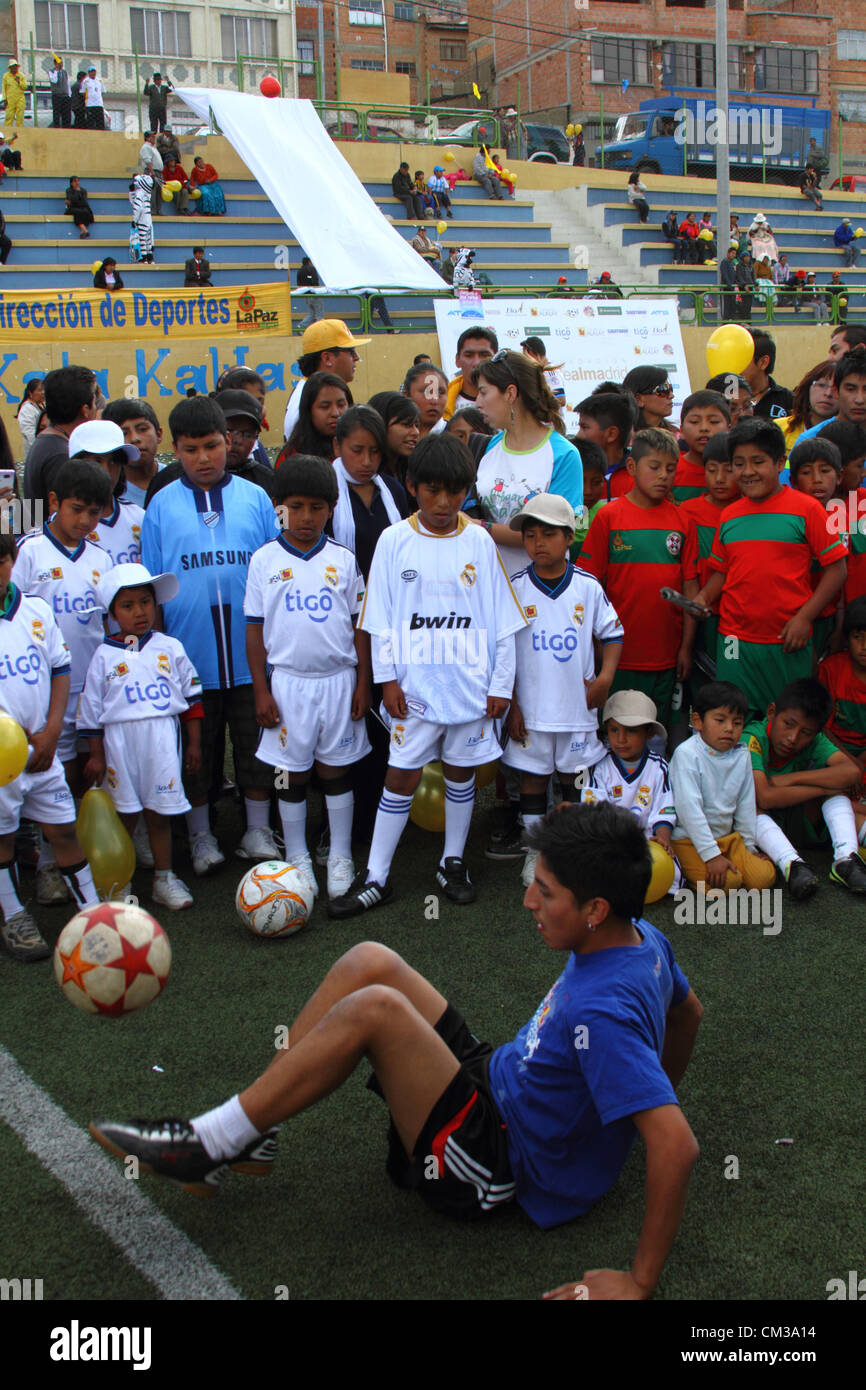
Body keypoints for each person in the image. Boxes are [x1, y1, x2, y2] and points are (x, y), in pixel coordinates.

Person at [89, 800, 703, 1305]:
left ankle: (211, 1145)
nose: (527, 903)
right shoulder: (642, 937)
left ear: (595, 910)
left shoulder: (603, 1010)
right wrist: (628, 1113)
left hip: (499, 1162)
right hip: (499, 1082)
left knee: (374, 1009)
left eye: (544, 892)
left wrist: (638, 1282)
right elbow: (688, 1013)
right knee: (369, 961)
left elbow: (676, 1145)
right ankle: (249, 1131)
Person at [328, 432, 526, 918]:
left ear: (467, 491)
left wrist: (501, 685)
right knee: (400, 774)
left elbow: (502, 620)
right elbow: (379, 618)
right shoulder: (395, 541)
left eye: (455, 492)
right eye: (432, 490)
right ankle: (376, 875)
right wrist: (387, 680)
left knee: (462, 771)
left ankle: (452, 861)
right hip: (413, 689)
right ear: (412, 486)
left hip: (471, 688)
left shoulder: (479, 539)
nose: (443, 502)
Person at [140, 395, 278, 875]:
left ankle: (257, 829)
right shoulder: (160, 506)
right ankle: (200, 837)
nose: (204, 458)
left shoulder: (255, 498)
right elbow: (154, 587)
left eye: (213, 446)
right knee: (197, 753)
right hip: (190, 657)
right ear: (174, 450)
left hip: (249, 656)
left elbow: (272, 572)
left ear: (230, 442)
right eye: (191, 449)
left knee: (256, 743)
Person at [244, 454, 372, 900]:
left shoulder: (343, 559)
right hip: (287, 685)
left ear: (331, 508)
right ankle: (296, 856)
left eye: (317, 507)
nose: (306, 517)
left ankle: (339, 853)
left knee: (335, 771)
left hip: (338, 682)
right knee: (289, 775)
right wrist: (261, 689)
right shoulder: (263, 561)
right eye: (295, 506)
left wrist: (363, 683)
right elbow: (255, 629)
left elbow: (360, 627)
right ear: (279, 506)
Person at [504, 493, 623, 887]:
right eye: (531, 535)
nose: (538, 542)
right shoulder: (516, 587)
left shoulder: (587, 587)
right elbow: (504, 650)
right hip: (532, 710)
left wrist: (605, 678)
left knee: (576, 781)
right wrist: (512, 705)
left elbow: (612, 634)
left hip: (577, 709)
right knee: (533, 782)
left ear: (569, 537)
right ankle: (537, 850)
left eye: (549, 534)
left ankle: (568, 850)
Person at [695, 418, 848, 719]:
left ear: (780, 463)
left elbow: (837, 569)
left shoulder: (806, 509)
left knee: (790, 720)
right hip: (734, 643)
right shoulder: (729, 516)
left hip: (788, 642)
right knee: (733, 720)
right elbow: (722, 572)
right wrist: (702, 598)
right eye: (739, 463)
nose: (748, 471)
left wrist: (805, 618)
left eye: (758, 461)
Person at [0, 531, 100, 961]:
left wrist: (53, 728)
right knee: (2, 837)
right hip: (0, 758)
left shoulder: (36, 610)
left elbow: (60, 670)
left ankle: (93, 911)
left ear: (10, 561)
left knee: (62, 827)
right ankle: (11, 914)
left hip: (42, 748)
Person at [78, 563, 200, 910]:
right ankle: (121, 885)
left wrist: (193, 743)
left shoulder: (169, 647)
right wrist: (96, 755)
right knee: (125, 816)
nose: (139, 612)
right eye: (128, 606)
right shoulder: (103, 656)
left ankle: (164, 879)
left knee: (159, 814)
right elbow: (91, 716)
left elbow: (192, 700)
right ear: (113, 613)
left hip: (161, 739)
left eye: (145, 602)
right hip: (119, 745)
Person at [12, 456, 114, 865]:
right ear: (54, 501)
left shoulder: (101, 559)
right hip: (45, 691)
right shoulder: (30, 552)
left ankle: (102, 847)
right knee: (49, 768)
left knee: (92, 769)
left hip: (92, 685)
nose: (86, 520)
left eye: (94, 512)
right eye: (77, 509)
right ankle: (51, 861)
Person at [581, 428, 699, 732]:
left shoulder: (683, 521)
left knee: (654, 733)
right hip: (618, 655)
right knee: (617, 731)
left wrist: (686, 647)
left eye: (671, 469)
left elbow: (689, 590)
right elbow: (589, 587)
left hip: (666, 654)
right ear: (632, 467)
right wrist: (594, 644)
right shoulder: (609, 517)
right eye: (655, 467)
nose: (664, 476)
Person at [744, 677, 866, 896]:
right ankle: (793, 866)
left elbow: (852, 772)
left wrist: (792, 779)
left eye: (805, 733)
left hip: (800, 818)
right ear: (772, 712)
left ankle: (846, 860)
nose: (793, 738)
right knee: (750, 806)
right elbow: (766, 797)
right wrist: (826, 787)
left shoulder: (816, 742)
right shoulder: (753, 736)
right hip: (763, 825)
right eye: (788, 724)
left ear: (815, 733)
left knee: (837, 798)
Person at [472, 350, 581, 559]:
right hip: (489, 583)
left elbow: (554, 533)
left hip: (540, 586)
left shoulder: (564, 455)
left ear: (510, 393)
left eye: (484, 392)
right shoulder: (486, 447)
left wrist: (480, 527)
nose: (477, 402)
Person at [670, 681, 777, 893]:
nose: (729, 729)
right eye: (720, 720)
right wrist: (711, 855)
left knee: (763, 879)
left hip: (729, 840)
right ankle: (691, 869)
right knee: (728, 883)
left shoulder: (741, 753)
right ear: (698, 721)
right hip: (689, 841)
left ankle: (730, 861)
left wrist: (748, 848)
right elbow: (689, 810)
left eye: (737, 723)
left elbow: (746, 805)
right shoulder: (687, 754)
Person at [578, 692, 676, 865]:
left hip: (648, 843)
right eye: (614, 730)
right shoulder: (598, 767)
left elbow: (664, 812)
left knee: (668, 870)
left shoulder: (659, 767)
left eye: (631, 730)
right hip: (609, 843)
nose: (621, 739)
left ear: (649, 733)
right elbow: (594, 815)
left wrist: (663, 840)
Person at [678, 433, 740, 685]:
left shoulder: (747, 510)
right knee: (700, 683)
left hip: (735, 619)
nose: (720, 479)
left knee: (730, 680)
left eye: (728, 470)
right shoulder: (688, 511)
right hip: (700, 615)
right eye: (712, 470)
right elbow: (688, 575)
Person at [788, 435, 844, 660]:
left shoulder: (840, 516)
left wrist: (840, 626)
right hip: (793, 617)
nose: (817, 480)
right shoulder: (789, 518)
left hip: (828, 617)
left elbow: (842, 575)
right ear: (793, 480)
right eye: (807, 472)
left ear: (839, 477)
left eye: (825, 470)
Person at [66, 418, 143, 566]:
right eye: (97, 461)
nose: (107, 471)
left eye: (114, 461)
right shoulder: (61, 524)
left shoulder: (139, 517)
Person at [23, 364, 97, 507]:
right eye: (95, 398)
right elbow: (62, 519)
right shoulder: (61, 455)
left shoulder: (47, 442)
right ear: (85, 409)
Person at [282, 320, 369, 442]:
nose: (356, 357)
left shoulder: (309, 391)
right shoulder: (305, 400)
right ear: (327, 358)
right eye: (350, 351)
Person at [818, 596, 866, 784]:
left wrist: (860, 762)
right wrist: (850, 761)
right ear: (847, 638)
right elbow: (822, 728)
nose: (864, 646)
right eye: (857, 637)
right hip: (833, 748)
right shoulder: (831, 669)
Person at [101, 397, 163, 506]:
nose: (134, 439)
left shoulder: (177, 478)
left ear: (159, 434)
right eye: (124, 433)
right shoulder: (108, 490)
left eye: (142, 429)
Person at [674, 390, 731, 503]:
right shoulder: (670, 470)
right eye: (695, 422)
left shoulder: (739, 470)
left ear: (729, 429)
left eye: (713, 422)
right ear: (681, 431)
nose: (704, 428)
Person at [280, 371, 350, 464]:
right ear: (308, 410)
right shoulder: (292, 457)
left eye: (341, 405)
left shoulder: (359, 446)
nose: (335, 413)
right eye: (325, 406)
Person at [576, 392, 634, 501]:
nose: (578, 435)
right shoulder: (571, 472)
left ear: (611, 434)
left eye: (584, 427)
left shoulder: (639, 477)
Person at [366, 391, 420, 483]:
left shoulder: (413, 470)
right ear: (380, 424)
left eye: (417, 425)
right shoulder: (365, 474)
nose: (416, 432)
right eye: (406, 425)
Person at [443, 326, 498, 418]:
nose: (476, 362)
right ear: (457, 360)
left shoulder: (512, 402)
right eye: (469, 355)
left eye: (484, 355)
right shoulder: (441, 405)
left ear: (496, 358)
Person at [743, 330, 793, 421]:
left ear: (763, 362)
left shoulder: (788, 401)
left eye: (742, 360)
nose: (735, 367)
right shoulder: (727, 396)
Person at [401, 363, 448, 439]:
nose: (434, 400)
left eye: (440, 393)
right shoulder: (396, 440)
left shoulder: (458, 436)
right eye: (427, 392)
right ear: (406, 396)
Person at [622, 366, 674, 434]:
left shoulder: (676, 436)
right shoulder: (624, 438)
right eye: (662, 390)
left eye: (670, 389)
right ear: (639, 399)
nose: (671, 396)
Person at [520, 336, 566, 407]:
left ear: (532, 353)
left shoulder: (550, 372)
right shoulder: (536, 371)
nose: (523, 357)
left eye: (525, 354)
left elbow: (561, 400)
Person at [129, 172, 155, 264]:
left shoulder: (140, 193)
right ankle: (150, 258)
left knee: (142, 239)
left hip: (141, 219)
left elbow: (137, 207)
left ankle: (143, 258)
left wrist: (134, 220)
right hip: (148, 219)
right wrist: (132, 192)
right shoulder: (147, 193)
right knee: (148, 240)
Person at [137, 132, 164, 216]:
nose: (154, 138)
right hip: (151, 171)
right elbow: (147, 160)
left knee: (159, 192)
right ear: (148, 138)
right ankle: (152, 211)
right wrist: (152, 172)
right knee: (153, 191)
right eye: (152, 136)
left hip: (158, 172)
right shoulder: (146, 147)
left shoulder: (153, 148)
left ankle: (158, 210)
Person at [15, 379, 44, 453]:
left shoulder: (39, 406)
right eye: (39, 390)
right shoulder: (27, 409)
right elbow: (29, 432)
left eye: (44, 390)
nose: (43, 393)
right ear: (30, 393)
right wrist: (41, 448)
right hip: (36, 451)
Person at [296, 255, 320, 328]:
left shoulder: (300, 270)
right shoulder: (311, 269)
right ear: (309, 262)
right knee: (320, 314)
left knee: (312, 314)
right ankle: (320, 330)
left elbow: (299, 283)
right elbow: (315, 281)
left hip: (306, 295)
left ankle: (301, 326)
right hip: (314, 294)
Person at [2, 61, 27, 129]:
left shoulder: (21, 75)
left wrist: (19, 82)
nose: (14, 68)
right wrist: (4, 99)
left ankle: (20, 131)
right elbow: (3, 88)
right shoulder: (6, 76)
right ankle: (7, 132)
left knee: (20, 117)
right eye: (13, 67)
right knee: (9, 117)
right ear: (10, 68)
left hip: (20, 99)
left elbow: (25, 86)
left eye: (15, 66)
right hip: (10, 99)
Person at [49, 56, 71, 128]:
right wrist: (56, 70)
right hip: (57, 96)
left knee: (67, 115)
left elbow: (67, 84)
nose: (61, 64)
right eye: (59, 63)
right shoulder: (51, 72)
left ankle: (66, 129)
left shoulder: (65, 72)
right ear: (55, 63)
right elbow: (54, 81)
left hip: (65, 96)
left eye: (61, 62)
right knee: (57, 115)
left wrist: (69, 95)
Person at [82, 64, 105, 130]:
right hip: (90, 105)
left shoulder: (100, 80)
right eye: (91, 71)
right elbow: (83, 92)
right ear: (89, 73)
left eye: (94, 71)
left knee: (100, 123)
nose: (93, 73)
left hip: (99, 104)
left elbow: (102, 91)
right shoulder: (85, 81)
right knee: (90, 123)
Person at [734, 251, 755, 323]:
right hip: (743, 288)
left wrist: (756, 284)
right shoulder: (739, 266)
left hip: (750, 287)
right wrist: (744, 285)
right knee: (743, 306)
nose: (747, 258)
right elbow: (739, 277)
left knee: (749, 306)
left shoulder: (751, 266)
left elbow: (753, 277)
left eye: (748, 256)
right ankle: (743, 321)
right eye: (746, 257)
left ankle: (748, 321)